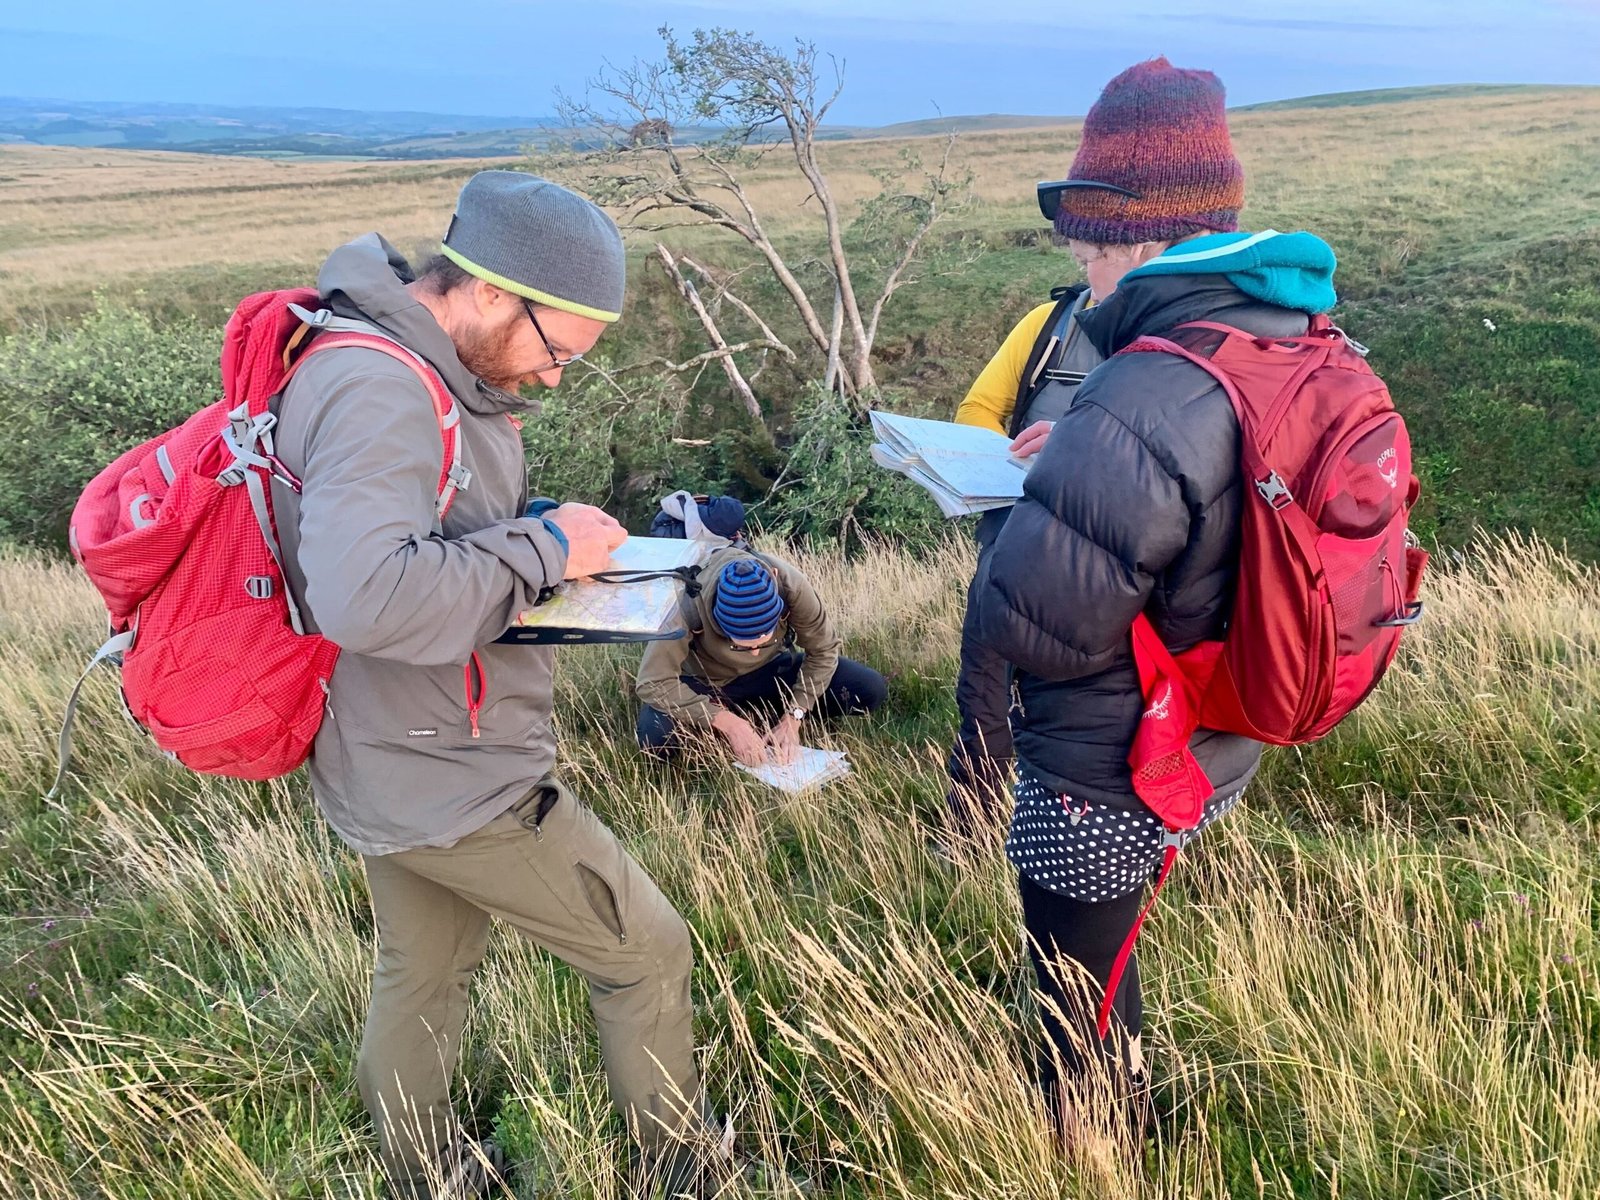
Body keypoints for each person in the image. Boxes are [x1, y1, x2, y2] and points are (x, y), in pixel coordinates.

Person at [270, 171, 717, 1198]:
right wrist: (544, 545)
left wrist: (555, 536)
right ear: (484, 291)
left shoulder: (418, 370)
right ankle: (686, 1175)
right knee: (646, 954)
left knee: (421, 978)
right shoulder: (385, 388)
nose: (554, 378)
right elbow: (366, 594)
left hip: (390, 753)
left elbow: (428, 538)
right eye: (554, 349)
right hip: (455, 773)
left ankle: (428, 1178)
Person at [974, 59, 1342, 1137]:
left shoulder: (1144, 378)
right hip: (1222, 720)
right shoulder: (1284, 335)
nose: (1083, 272)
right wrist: (1087, 459)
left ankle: (1096, 1146)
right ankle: (1123, 1106)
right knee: (1109, 948)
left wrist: (1051, 481)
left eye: (1089, 247)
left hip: (1112, 749)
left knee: (1070, 983)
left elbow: (1037, 619)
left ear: (1141, 238)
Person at [944, 208, 1108, 839]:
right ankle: (971, 825)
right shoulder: (1048, 325)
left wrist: (1070, 452)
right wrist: (998, 462)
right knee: (984, 682)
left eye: (1097, 250)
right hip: (1010, 539)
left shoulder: (1172, 336)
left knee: (1071, 702)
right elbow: (980, 408)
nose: (1086, 262)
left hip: (1100, 562)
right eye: (1086, 253)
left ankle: (1067, 833)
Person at [635, 546, 887, 765]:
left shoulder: (791, 586)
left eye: (762, 639)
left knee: (868, 688)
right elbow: (653, 682)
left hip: (773, 671)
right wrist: (722, 720)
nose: (754, 651)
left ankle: (771, 720)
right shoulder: (685, 603)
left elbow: (823, 650)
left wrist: (795, 715)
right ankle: (741, 723)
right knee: (655, 739)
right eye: (744, 644)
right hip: (708, 684)